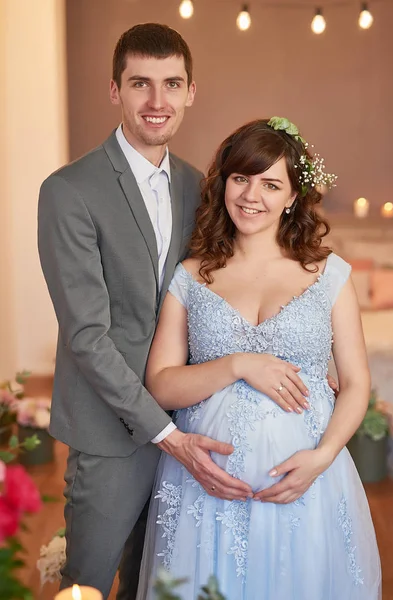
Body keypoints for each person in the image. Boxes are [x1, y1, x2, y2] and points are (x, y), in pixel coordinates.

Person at [38, 23, 263, 599]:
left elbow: (231, 292)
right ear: (115, 90)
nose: (157, 102)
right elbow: (87, 335)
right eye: (141, 84)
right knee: (85, 585)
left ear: (192, 91)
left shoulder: (201, 187)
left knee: (159, 584)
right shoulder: (69, 191)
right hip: (112, 434)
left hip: (191, 424)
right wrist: (165, 433)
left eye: (172, 84)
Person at [136, 117, 382, 599]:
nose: (252, 196)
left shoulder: (329, 275)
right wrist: (239, 364)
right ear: (224, 182)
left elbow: (355, 383)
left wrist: (322, 457)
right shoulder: (191, 276)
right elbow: (161, 383)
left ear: (292, 197)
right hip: (204, 485)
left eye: (271, 184)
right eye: (241, 178)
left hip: (306, 480)